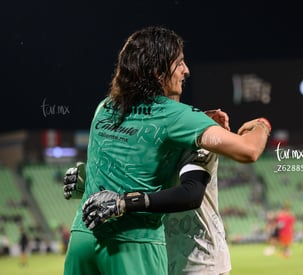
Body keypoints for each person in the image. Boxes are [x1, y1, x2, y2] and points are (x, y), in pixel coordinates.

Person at [63, 26, 270, 275]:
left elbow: (126, 164)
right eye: (179, 63)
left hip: (82, 239)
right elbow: (249, 151)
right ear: (158, 71)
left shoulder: (105, 107)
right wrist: (261, 125)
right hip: (134, 243)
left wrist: (84, 181)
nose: (186, 71)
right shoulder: (176, 116)